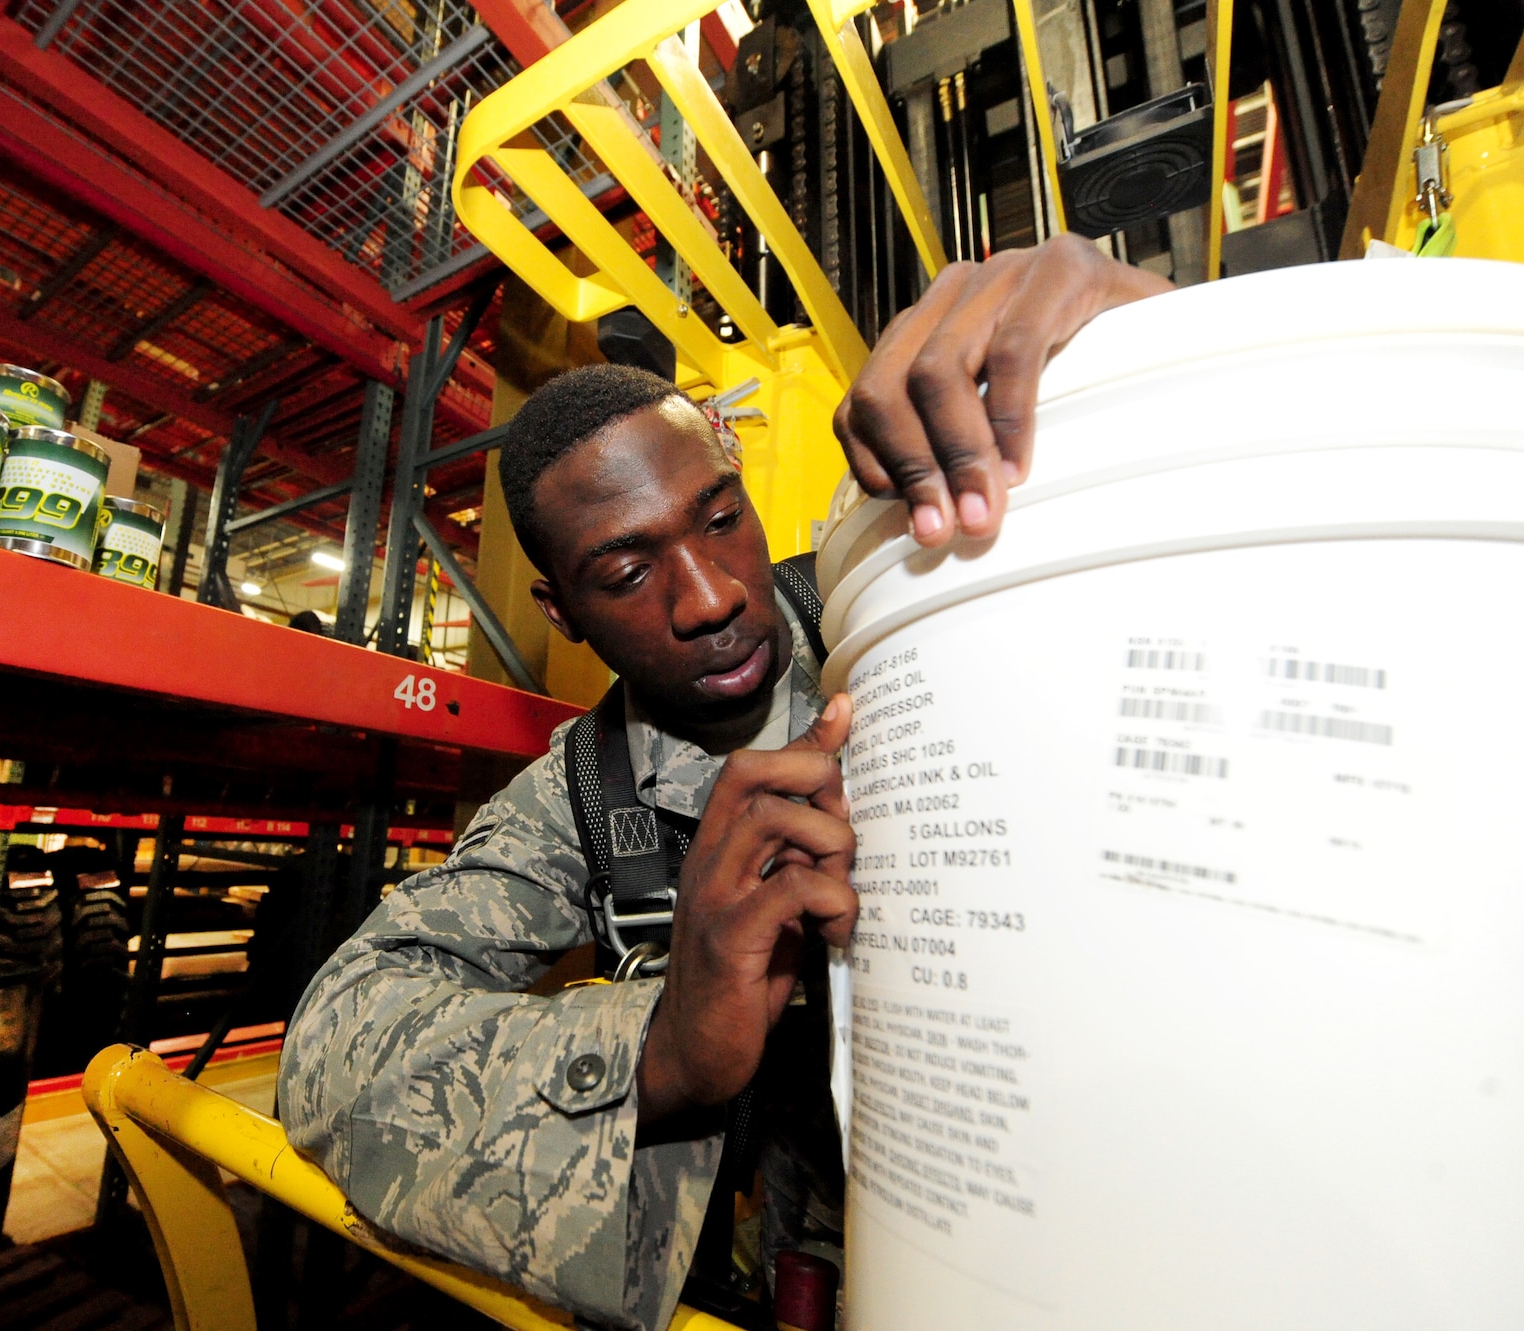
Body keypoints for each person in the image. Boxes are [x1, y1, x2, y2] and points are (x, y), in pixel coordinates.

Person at [278, 237, 1173, 1329]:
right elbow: (332, 1049)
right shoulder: (584, 796)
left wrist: (1139, 361)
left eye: (718, 519)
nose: (706, 597)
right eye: (625, 570)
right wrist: (660, 1051)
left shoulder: (891, 611)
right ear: (561, 611)